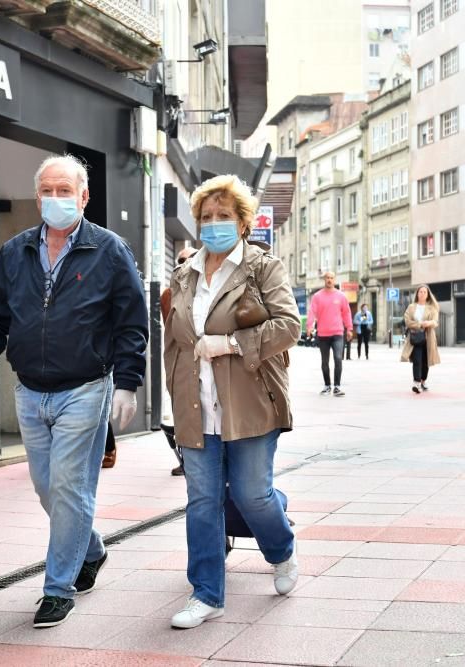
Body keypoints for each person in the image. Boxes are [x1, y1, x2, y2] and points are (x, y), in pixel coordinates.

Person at [0, 154, 148, 628]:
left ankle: (57, 587)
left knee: (69, 487)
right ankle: (90, 548)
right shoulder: (16, 251)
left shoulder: (109, 250)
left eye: (66, 190)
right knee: (49, 489)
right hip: (29, 390)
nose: (56, 198)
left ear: (84, 197)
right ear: (37, 195)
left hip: (85, 388)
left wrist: (127, 383)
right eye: (48, 190)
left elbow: (131, 319)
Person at [163, 174, 300, 629]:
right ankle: (206, 594)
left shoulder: (263, 268)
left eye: (224, 216)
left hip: (250, 403)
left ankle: (281, 551)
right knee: (202, 501)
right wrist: (174, 400)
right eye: (206, 217)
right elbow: (175, 344)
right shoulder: (184, 273)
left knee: (251, 494)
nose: (214, 223)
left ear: (243, 222)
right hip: (196, 406)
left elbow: (289, 327)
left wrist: (231, 344)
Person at [160, 245, 197, 476]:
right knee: (182, 417)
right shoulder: (169, 294)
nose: (185, 264)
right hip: (181, 366)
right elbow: (173, 330)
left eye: (190, 259)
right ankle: (185, 459)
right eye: (181, 260)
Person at [306, 272, 353, 396]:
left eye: (331, 278)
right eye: (327, 278)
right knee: (325, 361)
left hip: (338, 333)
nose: (329, 280)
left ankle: (337, 387)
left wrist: (349, 329)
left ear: (334, 280)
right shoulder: (317, 296)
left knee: (338, 358)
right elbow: (312, 312)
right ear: (324, 279)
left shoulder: (341, 296)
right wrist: (309, 326)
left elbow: (346, 313)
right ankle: (327, 386)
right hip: (323, 334)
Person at [400, 285, 440, 393]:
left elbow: (435, 321)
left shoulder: (432, 308)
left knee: (426, 361)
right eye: (420, 292)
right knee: (417, 360)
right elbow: (408, 321)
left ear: (428, 295)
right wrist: (420, 324)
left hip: (428, 337)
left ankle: (423, 380)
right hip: (415, 337)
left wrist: (429, 323)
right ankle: (416, 383)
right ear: (417, 293)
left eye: (424, 292)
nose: (422, 294)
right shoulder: (411, 307)